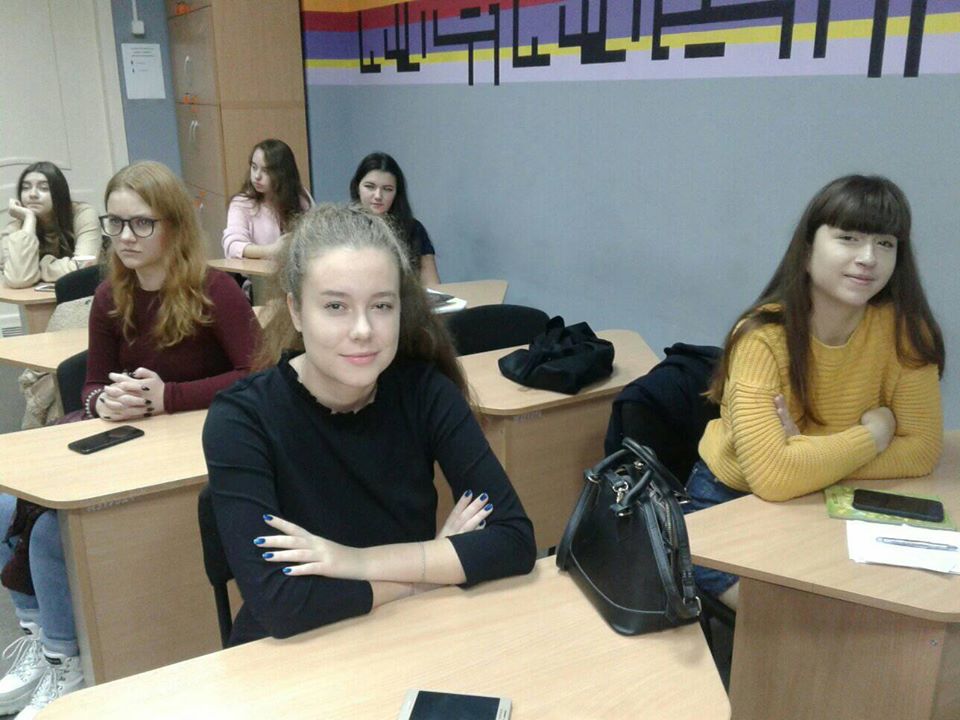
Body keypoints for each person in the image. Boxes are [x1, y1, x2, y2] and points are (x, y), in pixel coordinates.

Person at [203, 204, 536, 645]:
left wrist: (353, 562)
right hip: (292, 652)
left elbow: (514, 542)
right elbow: (283, 605)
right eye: (335, 306)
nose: (363, 329)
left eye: (381, 305)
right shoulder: (242, 418)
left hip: (407, 635)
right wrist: (428, 571)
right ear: (296, 311)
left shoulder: (424, 392)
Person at [0, 161, 260, 719]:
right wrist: (103, 402)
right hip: (131, 438)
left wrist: (170, 396)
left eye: (141, 223)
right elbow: (91, 384)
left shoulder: (215, 290)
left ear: (173, 225)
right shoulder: (109, 296)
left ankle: (66, 661)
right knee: (4, 509)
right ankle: (42, 639)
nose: (125, 237)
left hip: (194, 445)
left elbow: (257, 374)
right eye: (115, 223)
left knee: (48, 534)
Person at [689, 174, 945, 610]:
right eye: (849, 238)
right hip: (728, 504)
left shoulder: (906, 332)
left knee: (892, 610)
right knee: (804, 624)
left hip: (829, 500)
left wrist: (808, 454)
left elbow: (921, 451)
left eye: (885, 243)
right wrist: (875, 435)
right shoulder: (761, 336)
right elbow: (773, 478)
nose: (868, 258)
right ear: (807, 251)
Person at [1, 161, 101, 288]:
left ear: (59, 193)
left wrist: (39, 268)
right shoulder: (14, 229)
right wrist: (29, 218)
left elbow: (84, 266)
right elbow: (19, 279)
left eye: (44, 188)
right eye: (25, 188)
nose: (32, 194)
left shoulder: (83, 214)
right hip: (32, 298)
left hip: (83, 294)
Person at [349, 152, 440, 286]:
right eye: (370, 187)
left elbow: (432, 284)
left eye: (387, 189)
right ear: (357, 187)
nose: (378, 195)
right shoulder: (341, 227)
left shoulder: (413, 229)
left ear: (397, 193)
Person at [221, 139, 312, 260]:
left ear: (282, 173)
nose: (257, 176)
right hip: (257, 271)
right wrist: (272, 250)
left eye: (266, 171)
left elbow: (316, 237)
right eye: (254, 167)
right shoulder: (242, 203)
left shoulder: (300, 196)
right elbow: (232, 246)